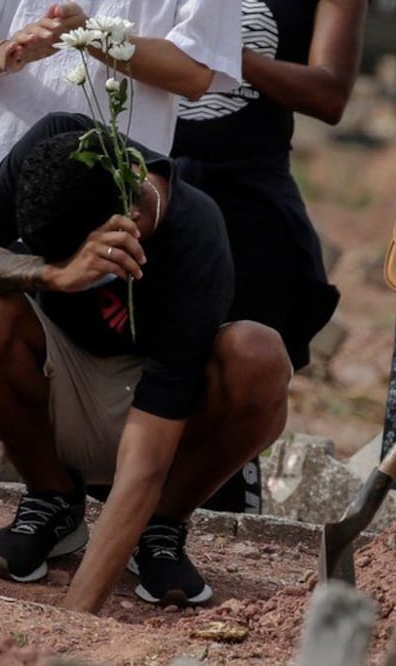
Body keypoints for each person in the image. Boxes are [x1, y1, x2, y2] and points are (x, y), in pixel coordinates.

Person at [0, 112, 291, 611]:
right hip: (56, 374)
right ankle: (53, 500)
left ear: (128, 223)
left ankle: (161, 526)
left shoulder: (195, 236)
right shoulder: (59, 145)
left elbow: (144, 461)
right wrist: (52, 274)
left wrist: (73, 623)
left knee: (258, 355)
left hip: (151, 413)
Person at [0, 0, 245, 434]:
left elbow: (195, 72)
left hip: (113, 209)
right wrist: (5, 51)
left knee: (84, 386)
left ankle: (57, 490)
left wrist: (92, 36)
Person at [171, 0, 365, 513]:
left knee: (240, 368)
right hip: (148, 184)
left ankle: (210, 512)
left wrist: (226, 55)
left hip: (250, 203)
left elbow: (330, 94)